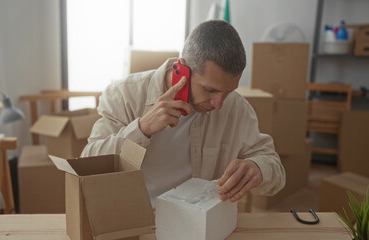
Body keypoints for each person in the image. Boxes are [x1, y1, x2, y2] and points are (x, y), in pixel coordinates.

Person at [81, 20, 285, 208]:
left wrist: (258, 167)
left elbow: (275, 168)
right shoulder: (124, 94)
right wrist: (141, 129)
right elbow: (87, 166)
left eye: (229, 91)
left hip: (200, 226)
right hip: (135, 221)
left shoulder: (237, 108)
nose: (219, 103)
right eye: (211, 90)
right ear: (181, 70)